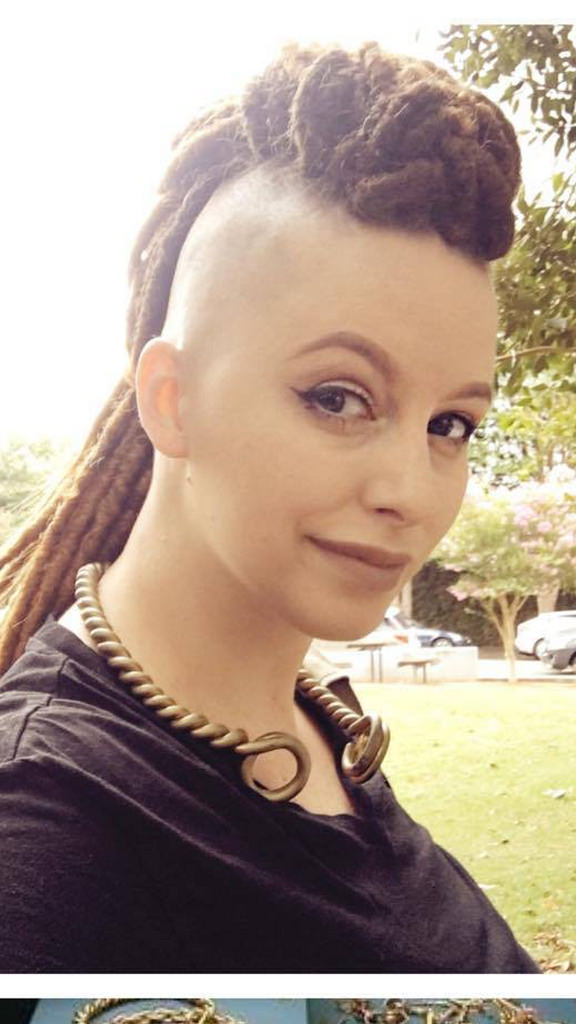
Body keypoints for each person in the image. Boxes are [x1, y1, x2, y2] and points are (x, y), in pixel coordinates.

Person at [0, 41, 538, 972]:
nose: (410, 493)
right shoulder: (45, 828)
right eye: (337, 397)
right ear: (172, 399)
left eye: (450, 424)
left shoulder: (315, 721)